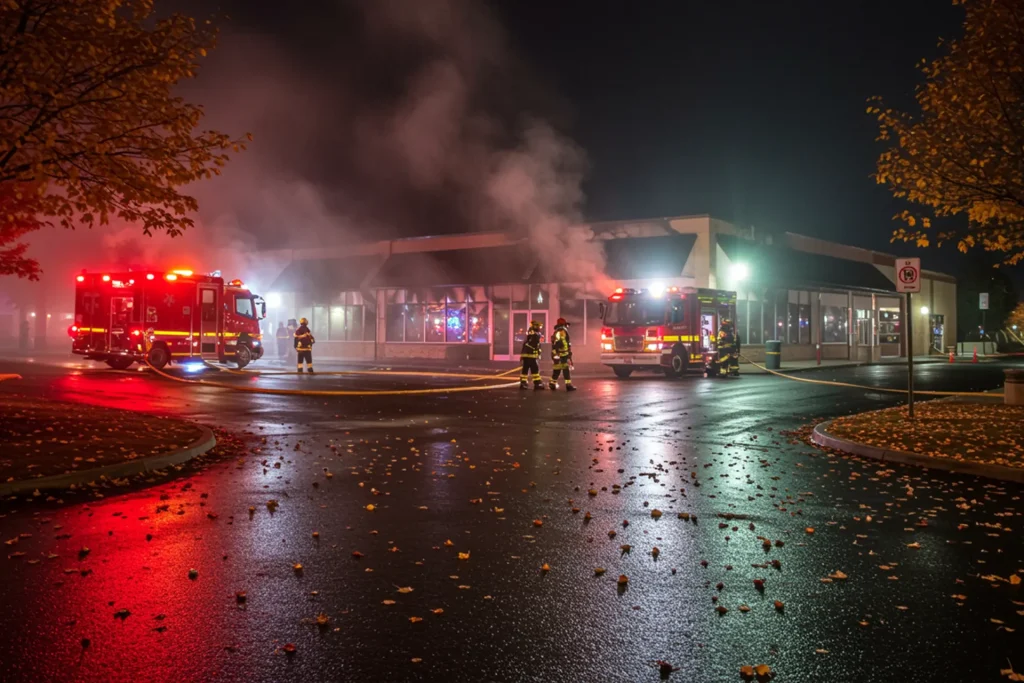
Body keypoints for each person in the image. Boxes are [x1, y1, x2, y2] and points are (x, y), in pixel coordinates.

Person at [549, 318, 576, 391]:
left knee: (557, 370)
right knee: (565, 370)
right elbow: (560, 343)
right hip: (562, 354)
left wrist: (568, 352)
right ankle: (568, 385)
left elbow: (563, 343)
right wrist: (560, 352)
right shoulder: (561, 332)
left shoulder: (558, 331)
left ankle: (552, 383)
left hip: (560, 354)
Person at [519, 320, 545, 390]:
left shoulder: (530, 333)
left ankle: (523, 383)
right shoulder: (535, 334)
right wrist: (538, 352)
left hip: (526, 355)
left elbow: (526, 344)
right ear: (535, 326)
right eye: (539, 326)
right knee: (535, 369)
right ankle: (537, 384)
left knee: (525, 369)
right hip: (531, 355)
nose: (540, 328)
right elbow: (535, 345)